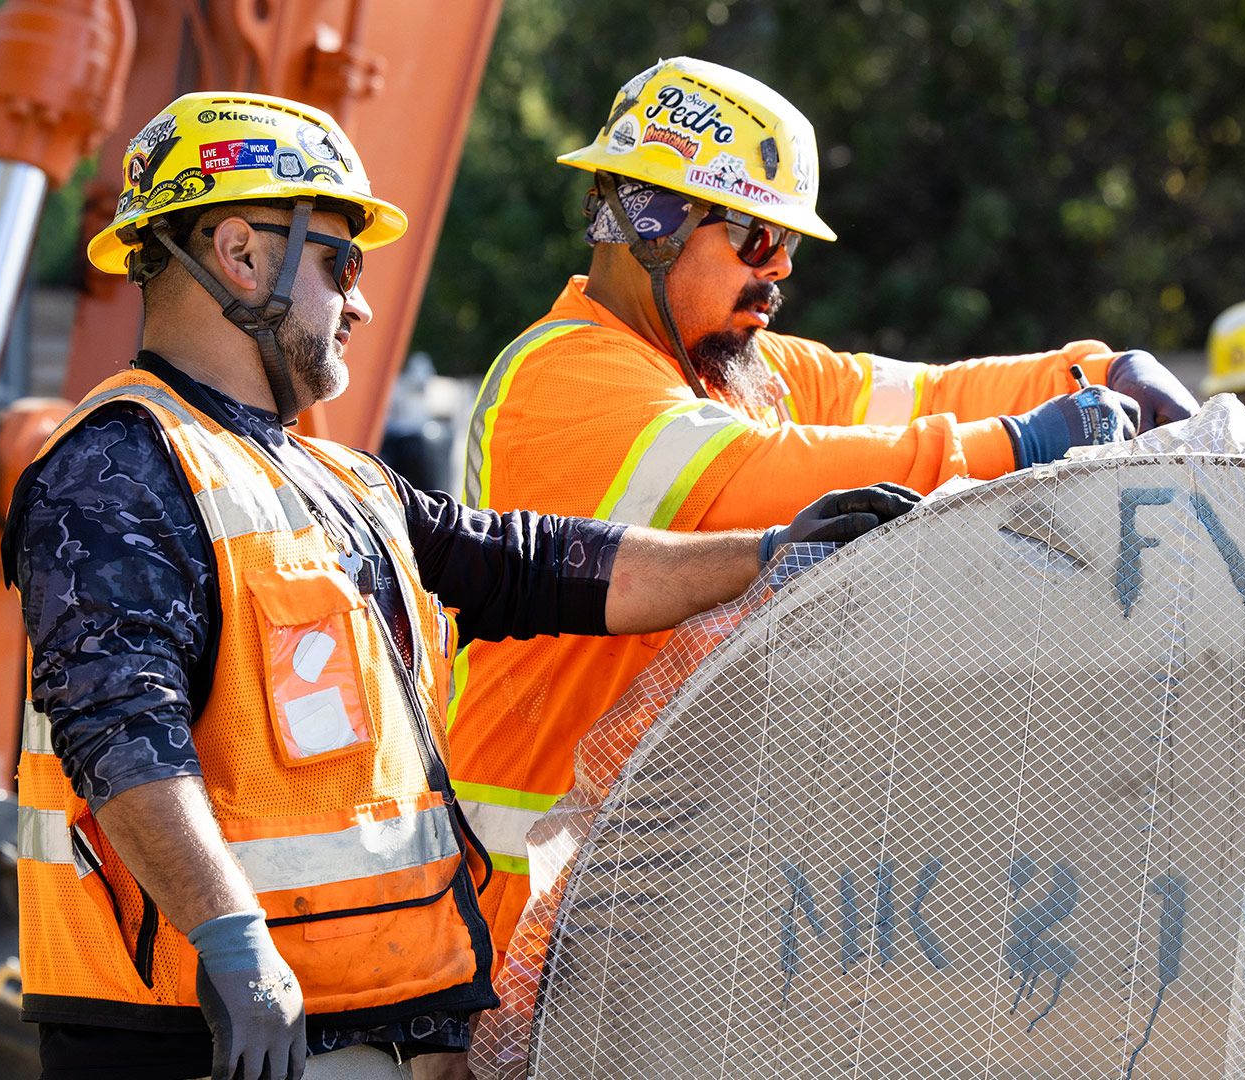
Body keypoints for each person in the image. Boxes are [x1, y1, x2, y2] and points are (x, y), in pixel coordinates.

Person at [4, 92, 918, 1080]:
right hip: (202, 1036)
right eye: (338, 263)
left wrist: (762, 554)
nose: (358, 301)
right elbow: (117, 728)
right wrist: (231, 942)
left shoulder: (332, 478)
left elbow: (526, 565)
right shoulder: (118, 468)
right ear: (240, 253)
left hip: (338, 1023)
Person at [441, 56, 1200, 979]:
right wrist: (1017, 444)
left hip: (637, 884)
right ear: (651, 220)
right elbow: (766, 484)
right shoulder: (560, 377)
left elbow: (921, 391)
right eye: (757, 238)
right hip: (522, 904)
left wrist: (1094, 370)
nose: (783, 269)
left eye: (787, 245)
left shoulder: (735, 370)